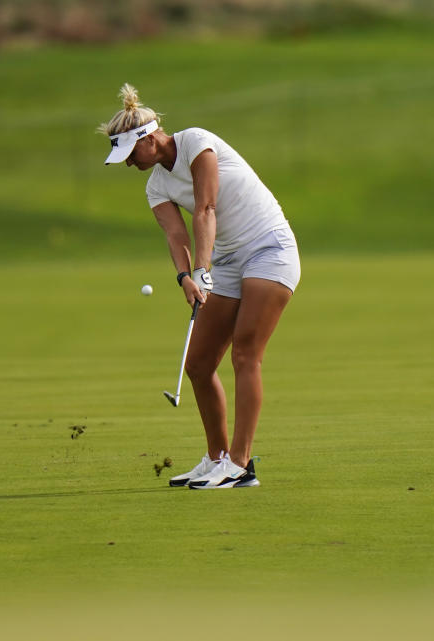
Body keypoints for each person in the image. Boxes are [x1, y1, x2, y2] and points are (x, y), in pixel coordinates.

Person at [100, 83, 300, 489]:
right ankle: (216, 459)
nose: (128, 164)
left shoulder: (196, 142)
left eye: (130, 154)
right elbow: (177, 237)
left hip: (268, 248)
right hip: (226, 260)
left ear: (151, 139)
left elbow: (206, 208)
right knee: (198, 363)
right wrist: (186, 277)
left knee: (245, 353)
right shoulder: (155, 185)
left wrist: (204, 267)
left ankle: (241, 466)